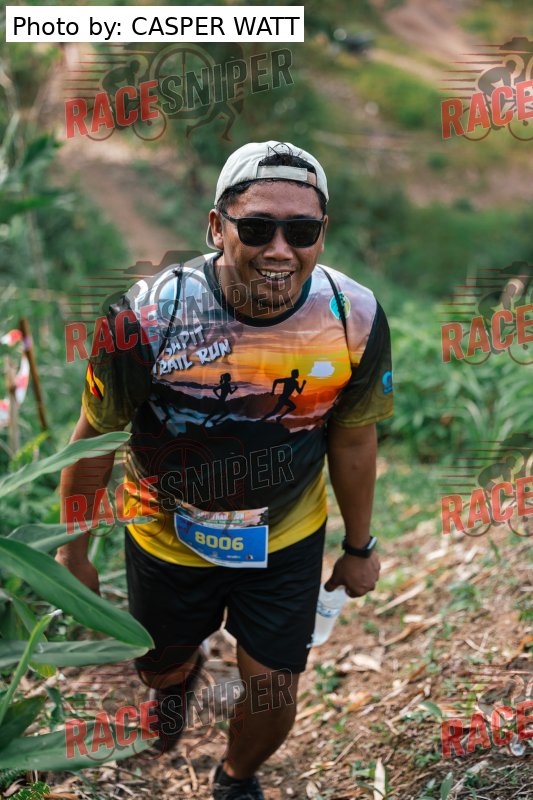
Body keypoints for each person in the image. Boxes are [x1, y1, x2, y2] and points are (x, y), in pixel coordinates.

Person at [57, 140, 393, 799]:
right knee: (161, 666)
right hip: (164, 535)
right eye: (257, 228)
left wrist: (359, 547)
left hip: (285, 537)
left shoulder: (351, 315)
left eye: (301, 231)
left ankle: (236, 777)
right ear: (216, 227)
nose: (280, 250)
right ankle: (173, 686)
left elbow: (354, 440)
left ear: (322, 233)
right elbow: (93, 440)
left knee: (274, 685)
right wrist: (74, 553)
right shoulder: (145, 317)